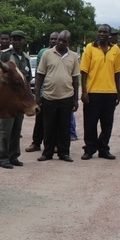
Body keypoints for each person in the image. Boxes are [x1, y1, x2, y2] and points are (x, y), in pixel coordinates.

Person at [79, 24, 120, 160]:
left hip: (110, 92)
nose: (101, 34)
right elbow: (84, 71)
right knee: (90, 123)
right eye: (99, 31)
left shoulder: (115, 49)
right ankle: (89, 149)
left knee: (107, 124)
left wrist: (118, 92)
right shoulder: (90, 48)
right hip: (93, 92)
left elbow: (118, 73)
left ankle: (103, 149)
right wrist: (84, 91)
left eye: (104, 32)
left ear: (109, 34)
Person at [35, 30, 80, 162]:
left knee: (64, 127)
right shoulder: (47, 54)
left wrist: (75, 99)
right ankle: (47, 153)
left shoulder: (73, 56)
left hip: (66, 97)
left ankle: (64, 153)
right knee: (48, 126)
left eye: (64, 41)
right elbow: (40, 75)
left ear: (68, 42)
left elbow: (76, 79)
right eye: (59, 39)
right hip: (49, 96)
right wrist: (37, 95)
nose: (60, 42)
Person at [0, 30, 32, 169]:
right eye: (14, 39)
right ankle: (2, 157)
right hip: (7, 100)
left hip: (21, 100)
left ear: (24, 41)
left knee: (17, 129)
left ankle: (14, 156)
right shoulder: (5, 55)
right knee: (5, 129)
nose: (16, 41)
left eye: (19, 39)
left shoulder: (26, 58)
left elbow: (28, 80)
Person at [25, 31, 59, 153]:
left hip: (57, 93)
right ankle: (36, 143)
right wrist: (38, 93)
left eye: (56, 39)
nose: (54, 41)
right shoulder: (43, 52)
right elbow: (39, 73)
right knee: (39, 120)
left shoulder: (63, 53)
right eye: (52, 39)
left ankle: (53, 144)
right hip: (45, 91)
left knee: (54, 121)